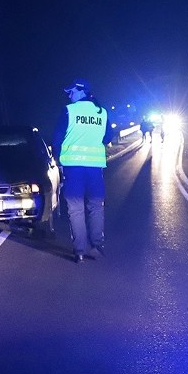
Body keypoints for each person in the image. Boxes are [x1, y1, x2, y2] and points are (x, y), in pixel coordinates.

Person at [52, 78, 114, 263]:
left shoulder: (69, 111)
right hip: (95, 169)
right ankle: (97, 246)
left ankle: (79, 251)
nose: (69, 95)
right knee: (96, 207)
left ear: (81, 91)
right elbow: (108, 137)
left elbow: (57, 139)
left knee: (75, 209)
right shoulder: (101, 112)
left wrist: (58, 159)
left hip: (73, 169)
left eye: (71, 91)